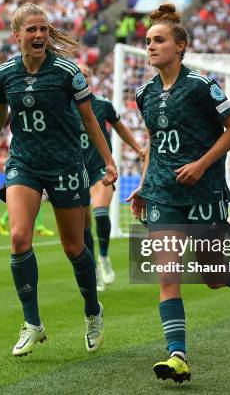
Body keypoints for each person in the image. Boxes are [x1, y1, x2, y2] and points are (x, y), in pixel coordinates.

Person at [126, 3, 230, 383]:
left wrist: (201, 164)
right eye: (148, 40)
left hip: (204, 193)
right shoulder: (144, 94)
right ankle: (177, 356)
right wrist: (143, 185)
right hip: (163, 194)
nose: (151, 46)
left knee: (213, 276)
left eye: (159, 40)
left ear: (180, 45)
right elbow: (154, 143)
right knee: (168, 275)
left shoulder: (202, 86)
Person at [0, 3, 118, 357]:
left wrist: (109, 160)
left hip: (66, 165)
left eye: (43, 29)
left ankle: (92, 311)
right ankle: (33, 324)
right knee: (19, 238)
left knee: (73, 247)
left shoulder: (68, 72)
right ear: (17, 35)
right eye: (32, 30)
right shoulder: (6, 74)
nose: (39, 35)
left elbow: (90, 122)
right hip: (24, 163)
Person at [74, 64, 145, 291]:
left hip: (100, 169)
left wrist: (137, 148)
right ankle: (92, 269)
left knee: (101, 213)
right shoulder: (64, 105)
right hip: (75, 172)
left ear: (91, 78)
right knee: (83, 226)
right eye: (78, 74)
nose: (82, 77)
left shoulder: (102, 104)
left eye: (86, 73)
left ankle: (103, 257)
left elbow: (120, 128)